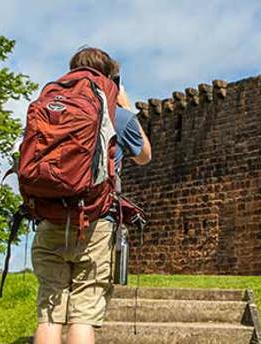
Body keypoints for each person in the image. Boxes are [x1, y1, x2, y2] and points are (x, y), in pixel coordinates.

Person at [31, 47, 151, 344]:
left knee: (50, 313)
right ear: (111, 76)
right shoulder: (118, 114)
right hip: (96, 221)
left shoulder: (50, 106)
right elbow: (145, 156)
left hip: (50, 218)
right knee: (83, 316)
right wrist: (125, 106)